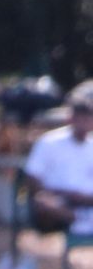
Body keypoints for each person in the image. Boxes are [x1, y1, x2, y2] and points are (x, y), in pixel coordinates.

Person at [25, 90, 93, 240]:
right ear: (71, 119)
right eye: (80, 118)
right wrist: (50, 193)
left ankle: (83, 224)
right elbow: (32, 176)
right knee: (44, 203)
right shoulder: (49, 141)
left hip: (88, 202)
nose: (84, 122)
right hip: (59, 200)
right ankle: (80, 223)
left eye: (88, 118)